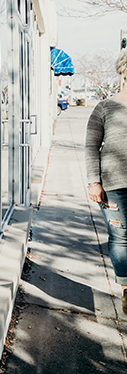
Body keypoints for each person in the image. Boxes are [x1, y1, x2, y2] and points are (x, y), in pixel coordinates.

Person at [86, 49, 127, 316]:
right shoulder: (105, 107)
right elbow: (91, 146)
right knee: (121, 237)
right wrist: (93, 182)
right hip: (114, 185)